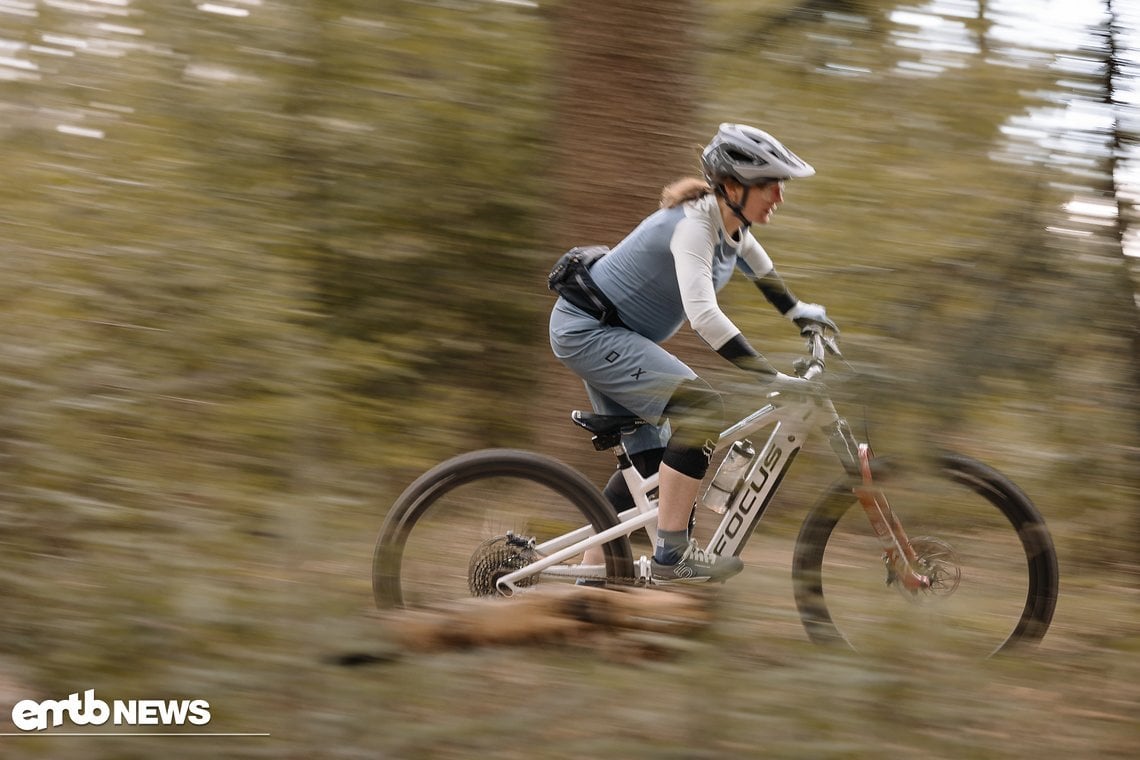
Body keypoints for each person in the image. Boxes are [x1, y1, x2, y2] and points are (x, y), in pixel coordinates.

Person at [549, 122, 837, 584]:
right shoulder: (692, 229)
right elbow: (704, 317)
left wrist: (802, 313)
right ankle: (672, 555)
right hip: (590, 333)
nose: (779, 197)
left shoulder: (732, 227)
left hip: (614, 336)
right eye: (770, 185)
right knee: (702, 409)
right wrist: (769, 376)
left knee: (650, 475)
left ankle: (585, 586)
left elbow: (764, 275)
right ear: (731, 187)